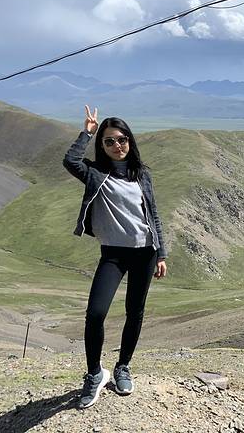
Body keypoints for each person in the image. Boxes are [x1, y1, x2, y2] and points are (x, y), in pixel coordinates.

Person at [63, 105, 167, 409]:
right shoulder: (95, 173)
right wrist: (87, 133)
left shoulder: (142, 174)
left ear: (129, 140)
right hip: (113, 254)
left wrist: (161, 253)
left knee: (135, 311)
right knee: (96, 313)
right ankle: (95, 373)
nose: (117, 145)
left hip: (145, 252)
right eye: (109, 141)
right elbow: (70, 161)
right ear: (103, 145)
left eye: (121, 139)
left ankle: (123, 367)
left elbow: (153, 215)